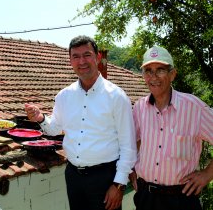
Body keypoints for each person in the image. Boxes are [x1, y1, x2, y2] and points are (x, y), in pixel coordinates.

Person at [25, 35, 137, 210]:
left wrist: (119, 185)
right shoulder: (64, 96)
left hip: (106, 178)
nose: (81, 61)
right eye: (76, 56)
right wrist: (40, 118)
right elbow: (55, 128)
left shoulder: (116, 96)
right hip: (73, 176)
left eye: (86, 55)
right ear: (70, 61)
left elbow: (128, 146)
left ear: (98, 57)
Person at [131, 46, 213, 210]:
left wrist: (207, 174)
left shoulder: (194, 108)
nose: (153, 77)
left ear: (172, 74)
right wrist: (131, 169)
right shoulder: (139, 108)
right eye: (148, 71)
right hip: (146, 198)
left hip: (181, 200)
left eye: (160, 70)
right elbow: (134, 142)